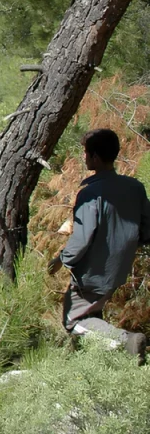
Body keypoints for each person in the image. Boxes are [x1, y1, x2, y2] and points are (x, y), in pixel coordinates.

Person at [48, 128, 150, 362]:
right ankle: (102, 364)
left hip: (93, 274)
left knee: (73, 321)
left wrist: (62, 260)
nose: (84, 157)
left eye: (86, 153)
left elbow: (82, 239)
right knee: (93, 314)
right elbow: (148, 227)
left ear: (94, 157)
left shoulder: (90, 193)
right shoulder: (135, 187)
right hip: (118, 269)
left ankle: (128, 341)